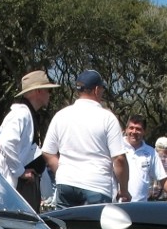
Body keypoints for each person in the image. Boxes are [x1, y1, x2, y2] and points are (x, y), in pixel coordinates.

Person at [42, 69, 129, 206]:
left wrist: (63, 171)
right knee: (91, 227)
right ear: (96, 90)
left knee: (67, 226)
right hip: (96, 184)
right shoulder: (107, 118)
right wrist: (124, 190)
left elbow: (48, 151)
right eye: (101, 89)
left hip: (66, 183)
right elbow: (119, 159)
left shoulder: (61, 115)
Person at [0, 69, 59, 211]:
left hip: (24, 183)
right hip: (17, 185)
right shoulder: (21, 114)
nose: (50, 95)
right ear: (38, 91)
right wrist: (20, 172)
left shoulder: (28, 114)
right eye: (48, 90)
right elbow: (7, 142)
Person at [122, 115, 167, 202]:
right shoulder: (116, 146)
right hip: (117, 204)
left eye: (138, 129)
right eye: (131, 128)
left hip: (140, 206)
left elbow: (163, 178)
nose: (134, 131)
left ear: (144, 132)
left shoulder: (151, 152)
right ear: (126, 129)